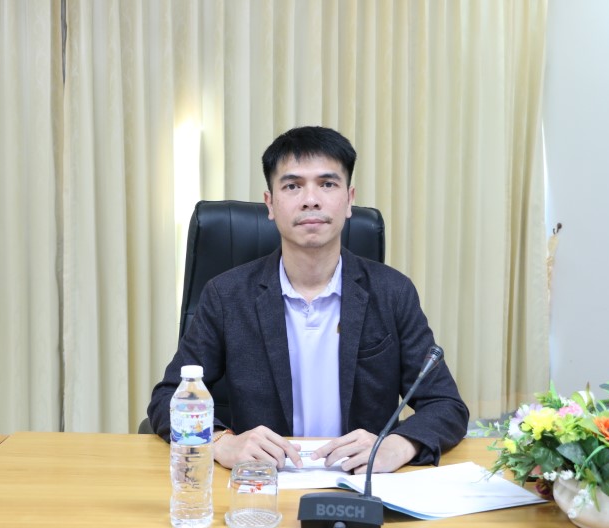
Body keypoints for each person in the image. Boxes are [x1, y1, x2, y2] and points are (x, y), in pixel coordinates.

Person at [148, 126, 469, 473]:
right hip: (261, 484)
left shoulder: (392, 293)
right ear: (270, 203)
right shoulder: (227, 296)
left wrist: (396, 445)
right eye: (292, 186)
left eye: (327, 184)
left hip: (360, 483)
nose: (310, 199)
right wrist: (221, 442)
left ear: (349, 199)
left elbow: (446, 405)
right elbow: (168, 399)